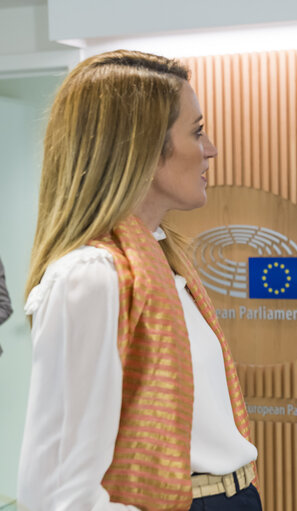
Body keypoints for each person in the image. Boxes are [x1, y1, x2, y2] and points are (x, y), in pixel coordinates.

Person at [18, 50, 261, 511]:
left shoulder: (164, 259)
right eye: (197, 131)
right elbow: (57, 493)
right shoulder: (90, 277)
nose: (210, 149)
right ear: (141, 148)